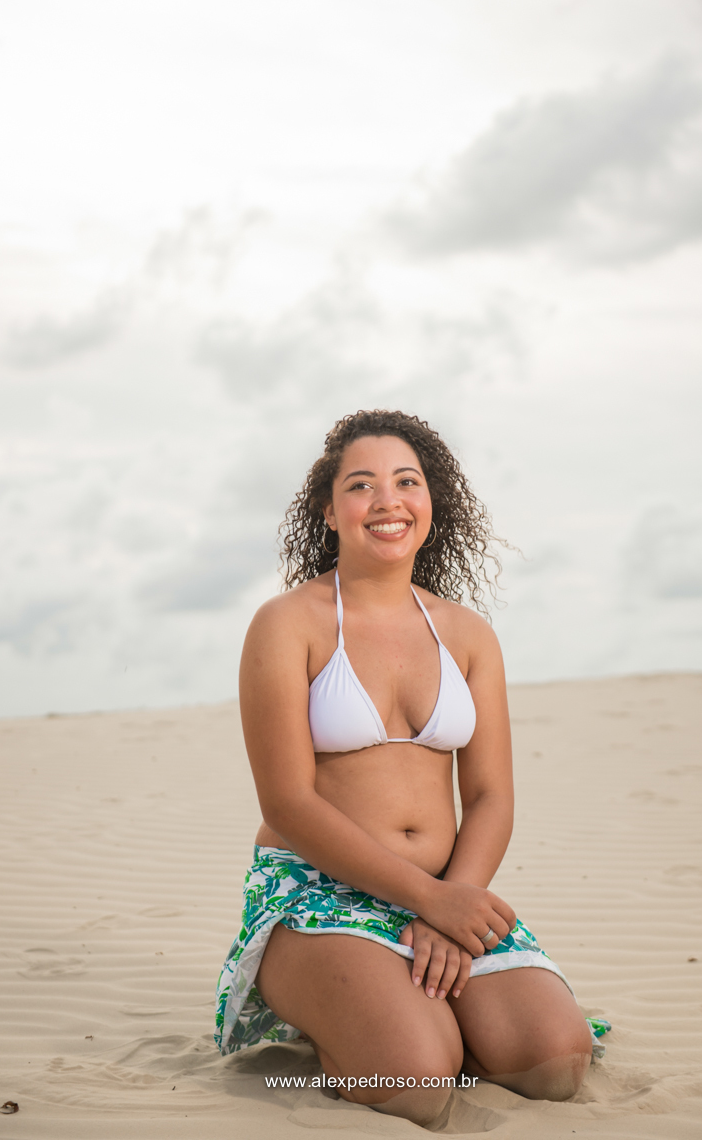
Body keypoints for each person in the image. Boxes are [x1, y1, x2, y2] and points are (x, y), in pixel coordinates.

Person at [215, 409, 594, 1126]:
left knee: (556, 1062)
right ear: (329, 510)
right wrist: (430, 897)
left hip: (447, 893)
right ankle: (351, 1026)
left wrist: (453, 903)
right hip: (316, 889)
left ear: (431, 502)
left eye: (406, 481)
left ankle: (413, 1016)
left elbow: (489, 796)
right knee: (415, 1082)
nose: (387, 500)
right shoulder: (287, 624)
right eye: (362, 485)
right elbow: (289, 800)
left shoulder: (468, 634)